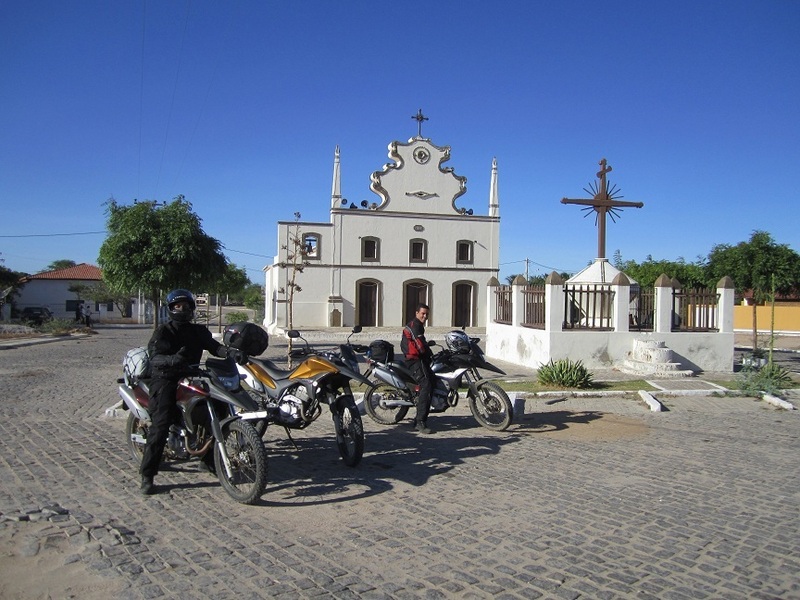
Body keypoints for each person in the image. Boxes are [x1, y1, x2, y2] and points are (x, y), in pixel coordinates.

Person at [139, 288, 245, 495]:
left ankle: (207, 459)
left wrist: (231, 352)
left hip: (192, 374)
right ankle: (147, 474)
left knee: (218, 408)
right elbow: (155, 357)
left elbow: (215, 347)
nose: (182, 309)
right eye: (177, 306)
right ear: (170, 309)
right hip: (165, 378)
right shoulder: (164, 331)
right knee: (161, 424)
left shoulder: (198, 331)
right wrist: (171, 360)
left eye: (186, 306)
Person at [401, 303, 434, 434]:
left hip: (418, 358)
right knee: (426, 384)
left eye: (427, 314)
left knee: (433, 379)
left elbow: (423, 343)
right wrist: (429, 354)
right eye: (423, 313)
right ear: (416, 313)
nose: (425, 316)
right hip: (413, 360)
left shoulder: (419, 326)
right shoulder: (414, 326)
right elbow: (420, 346)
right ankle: (419, 422)